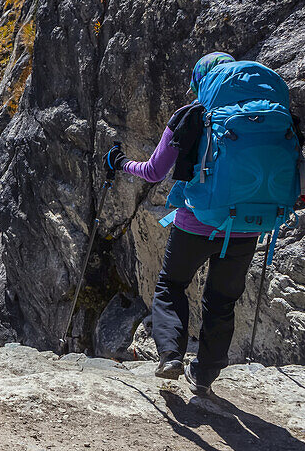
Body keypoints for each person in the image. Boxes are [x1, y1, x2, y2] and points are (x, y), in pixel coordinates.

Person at [104, 52, 259, 396]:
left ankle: (172, 356)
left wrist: (122, 162)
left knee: (171, 285)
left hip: (197, 222)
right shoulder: (260, 116)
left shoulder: (191, 115)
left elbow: (154, 172)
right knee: (221, 300)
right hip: (247, 226)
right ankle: (204, 375)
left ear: (201, 80)